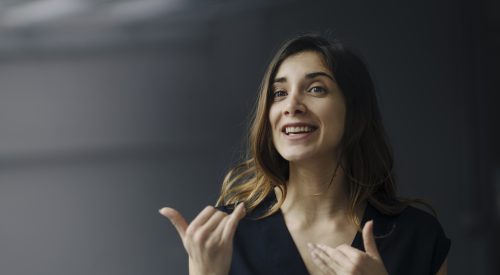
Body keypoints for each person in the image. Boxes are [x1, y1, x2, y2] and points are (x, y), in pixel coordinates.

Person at [159, 34, 451, 275]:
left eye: (315, 89)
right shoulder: (224, 236)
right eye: (280, 93)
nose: (292, 105)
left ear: (355, 112)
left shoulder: (417, 237)